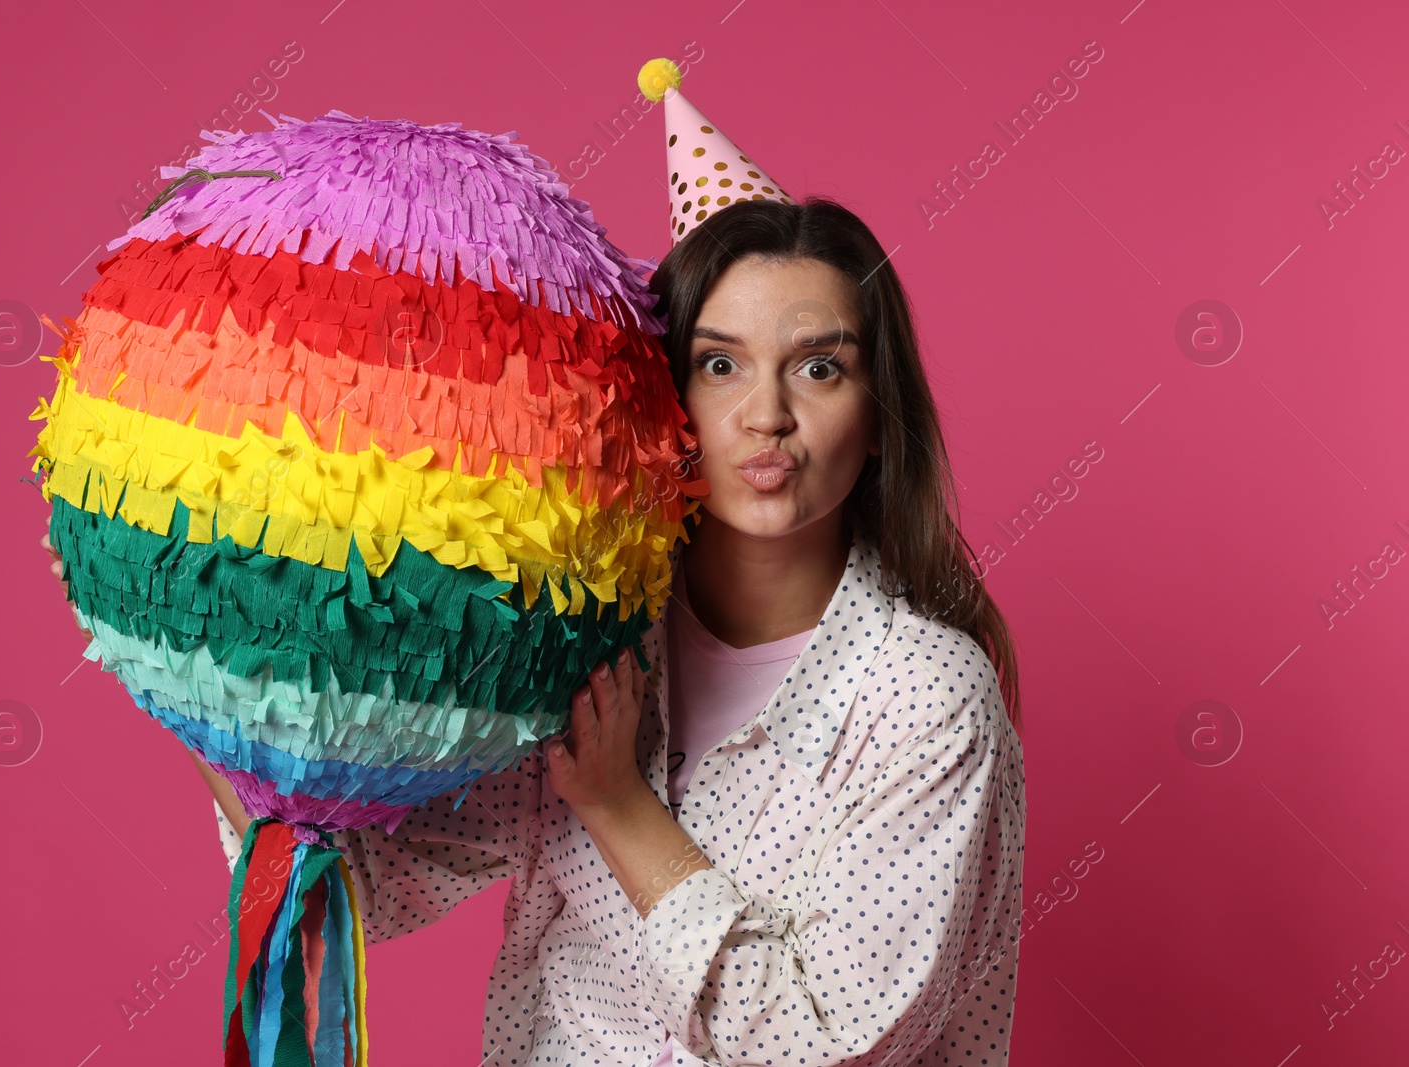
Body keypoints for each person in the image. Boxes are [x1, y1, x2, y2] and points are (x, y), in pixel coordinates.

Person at [195, 188, 1027, 1065]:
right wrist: (186, 658)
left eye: (819, 367)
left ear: (879, 417)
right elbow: (360, 881)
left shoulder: (923, 695)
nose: (766, 414)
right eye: (719, 364)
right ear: (662, 402)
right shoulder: (581, 643)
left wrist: (618, 805)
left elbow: (824, 1039)